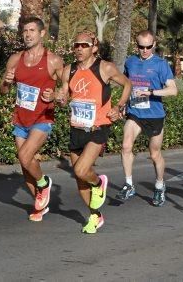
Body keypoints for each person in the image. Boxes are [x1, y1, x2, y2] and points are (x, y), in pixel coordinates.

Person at [56, 31, 131, 234]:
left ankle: (99, 182)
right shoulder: (68, 70)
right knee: (80, 178)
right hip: (76, 127)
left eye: (84, 45)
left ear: (94, 48)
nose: (79, 48)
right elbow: (63, 97)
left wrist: (119, 106)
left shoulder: (105, 68)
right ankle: (95, 216)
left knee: (81, 170)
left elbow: (127, 84)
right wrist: (58, 98)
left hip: (98, 128)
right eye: (76, 45)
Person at [0, 17, 64, 222]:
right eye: (25, 30)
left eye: (32, 30)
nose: (27, 34)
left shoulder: (53, 60)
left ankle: (43, 184)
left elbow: (65, 93)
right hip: (20, 118)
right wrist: (7, 83)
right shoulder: (15, 59)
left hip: (42, 118)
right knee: (25, 164)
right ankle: (40, 203)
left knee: (26, 157)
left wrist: (55, 96)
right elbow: (2, 91)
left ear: (42, 33)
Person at [116, 30, 178, 206]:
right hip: (135, 112)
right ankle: (128, 185)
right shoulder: (130, 62)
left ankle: (159, 185)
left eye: (148, 47)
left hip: (155, 115)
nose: (144, 50)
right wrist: (122, 105)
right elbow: (127, 86)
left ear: (154, 45)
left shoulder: (161, 64)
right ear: (136, 45)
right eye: (141, 47)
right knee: (126, 146)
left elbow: (173, 90)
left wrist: (151, 92)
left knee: (154, 154)